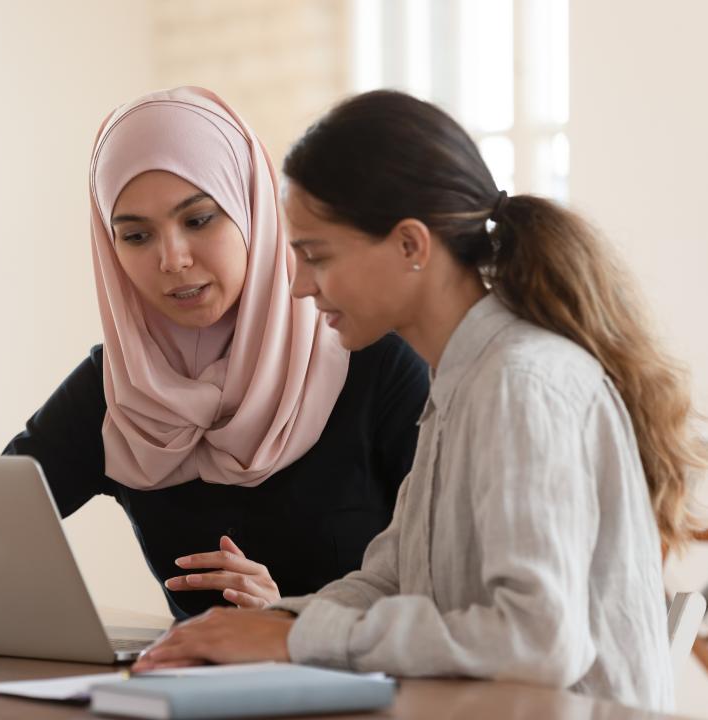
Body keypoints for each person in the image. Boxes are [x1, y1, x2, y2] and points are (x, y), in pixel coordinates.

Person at [132, 90, 708, 712]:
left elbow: (539, 638)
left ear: (411, 245)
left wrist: (297, 637)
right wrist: (258, 627)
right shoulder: (462, 379)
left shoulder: (519, 382)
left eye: (317, 255)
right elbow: (390, 579)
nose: (298, 285)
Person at [0, 87, 429, 621]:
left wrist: (294, 618)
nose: (172, 259)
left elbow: (447, 593)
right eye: (137, 236)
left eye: (198, 220)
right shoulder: (121, 387)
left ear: (252, 211)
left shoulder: (374, 363)